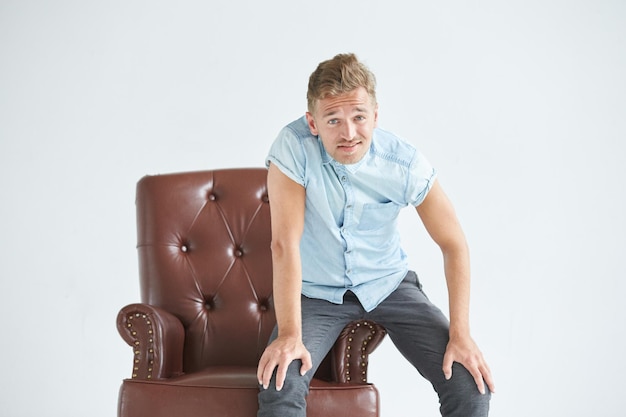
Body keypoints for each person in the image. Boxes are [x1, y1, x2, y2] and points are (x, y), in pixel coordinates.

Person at [256, 53, 495, 417]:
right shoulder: (293, 146)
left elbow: (454, 243)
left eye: (358, 117)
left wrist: (461, 334)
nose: (348, 133)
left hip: (389, 284)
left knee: (469, 384)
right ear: (313, 122)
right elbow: (284, 244)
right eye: (333, 119)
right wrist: (290, 333)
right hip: (317, 292)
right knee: (280, 382)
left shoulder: (404, 163)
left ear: (376, 116)